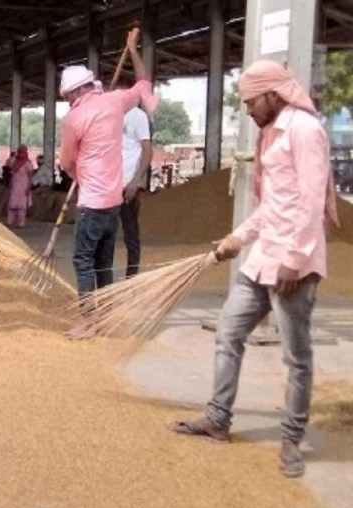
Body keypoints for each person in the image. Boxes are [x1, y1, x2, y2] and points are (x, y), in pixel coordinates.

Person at [170, 60, 340, 479]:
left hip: (292, 265)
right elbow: (273, 207)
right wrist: (236, 240)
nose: (246, 108)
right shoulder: (269, 134)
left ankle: (291, 440)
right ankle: (217, 418)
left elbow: (311, 200)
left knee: (296, 357)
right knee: (228, 333)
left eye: (249, 100)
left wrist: (295, 261)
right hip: (263, 259)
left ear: (272, 94)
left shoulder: (305, 130)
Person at [59, 27, 156, 311]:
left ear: (77, 90)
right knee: (103, 262)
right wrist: (133, 49)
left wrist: (80, 176)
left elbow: (65, 163)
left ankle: (88, 318)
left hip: (91, 203)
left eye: (67, 96)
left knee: (83, 260)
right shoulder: (115, 102)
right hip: (113, 202)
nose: (68, 101)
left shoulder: (74, 118)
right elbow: (143, 84)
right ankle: (106, 314)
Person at [117, 73, 153, 278]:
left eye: (122, 91)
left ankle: (132, 275)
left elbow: (147, 151)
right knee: (106, 233)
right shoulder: (112, 113)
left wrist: (136, 181)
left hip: (128, 184)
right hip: (109, 184)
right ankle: (102, 278)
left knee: (130, 233)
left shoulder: (138, 117)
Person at [7, 145, 34, 228]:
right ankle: (10, 222)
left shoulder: (28, 163)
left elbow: (30, 176)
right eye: (20, 152)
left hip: (23, 187)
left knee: (21, 206)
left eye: (22, 152)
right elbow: (11, 170)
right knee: (12, 204)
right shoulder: (14, 161)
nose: (21, 154)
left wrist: (28, 187)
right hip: (15, 186)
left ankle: (21, 223)